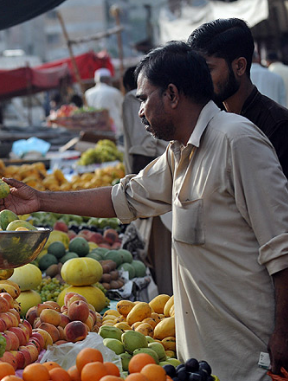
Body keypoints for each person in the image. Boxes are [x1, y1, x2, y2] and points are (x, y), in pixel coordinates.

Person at [0, 42, 288, 380]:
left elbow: (282, 246)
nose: (141, 112)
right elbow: (124, 197)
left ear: (172, 94)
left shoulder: (236, 140)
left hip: (251, 358)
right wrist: (41, 200)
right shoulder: (181, 152)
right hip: (207, 357)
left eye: (144, 99)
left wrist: (283, 334)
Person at [188, 18, 288, 179]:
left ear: (239, 66)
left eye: (208, 69)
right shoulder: (206, 118)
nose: (200, 79)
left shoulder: (278, 125)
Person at [120, 66, 172, 294]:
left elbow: (142, 147)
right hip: (149, 180)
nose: (141, 111)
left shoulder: (131, 100)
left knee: (161, 249)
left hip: (151, 178)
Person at [121, 66, 168, 175]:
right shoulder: (160, 96)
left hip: (154, 172)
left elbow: (143, 147)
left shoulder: (132, 98)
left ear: (128, 86)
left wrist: (135, 186)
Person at [84, 68, 124, 136]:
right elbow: (122, 110)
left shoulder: (88, 93)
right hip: (114, 128)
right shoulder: (115, 92)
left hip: (95, 128)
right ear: (108, 79)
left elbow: (87, 109)